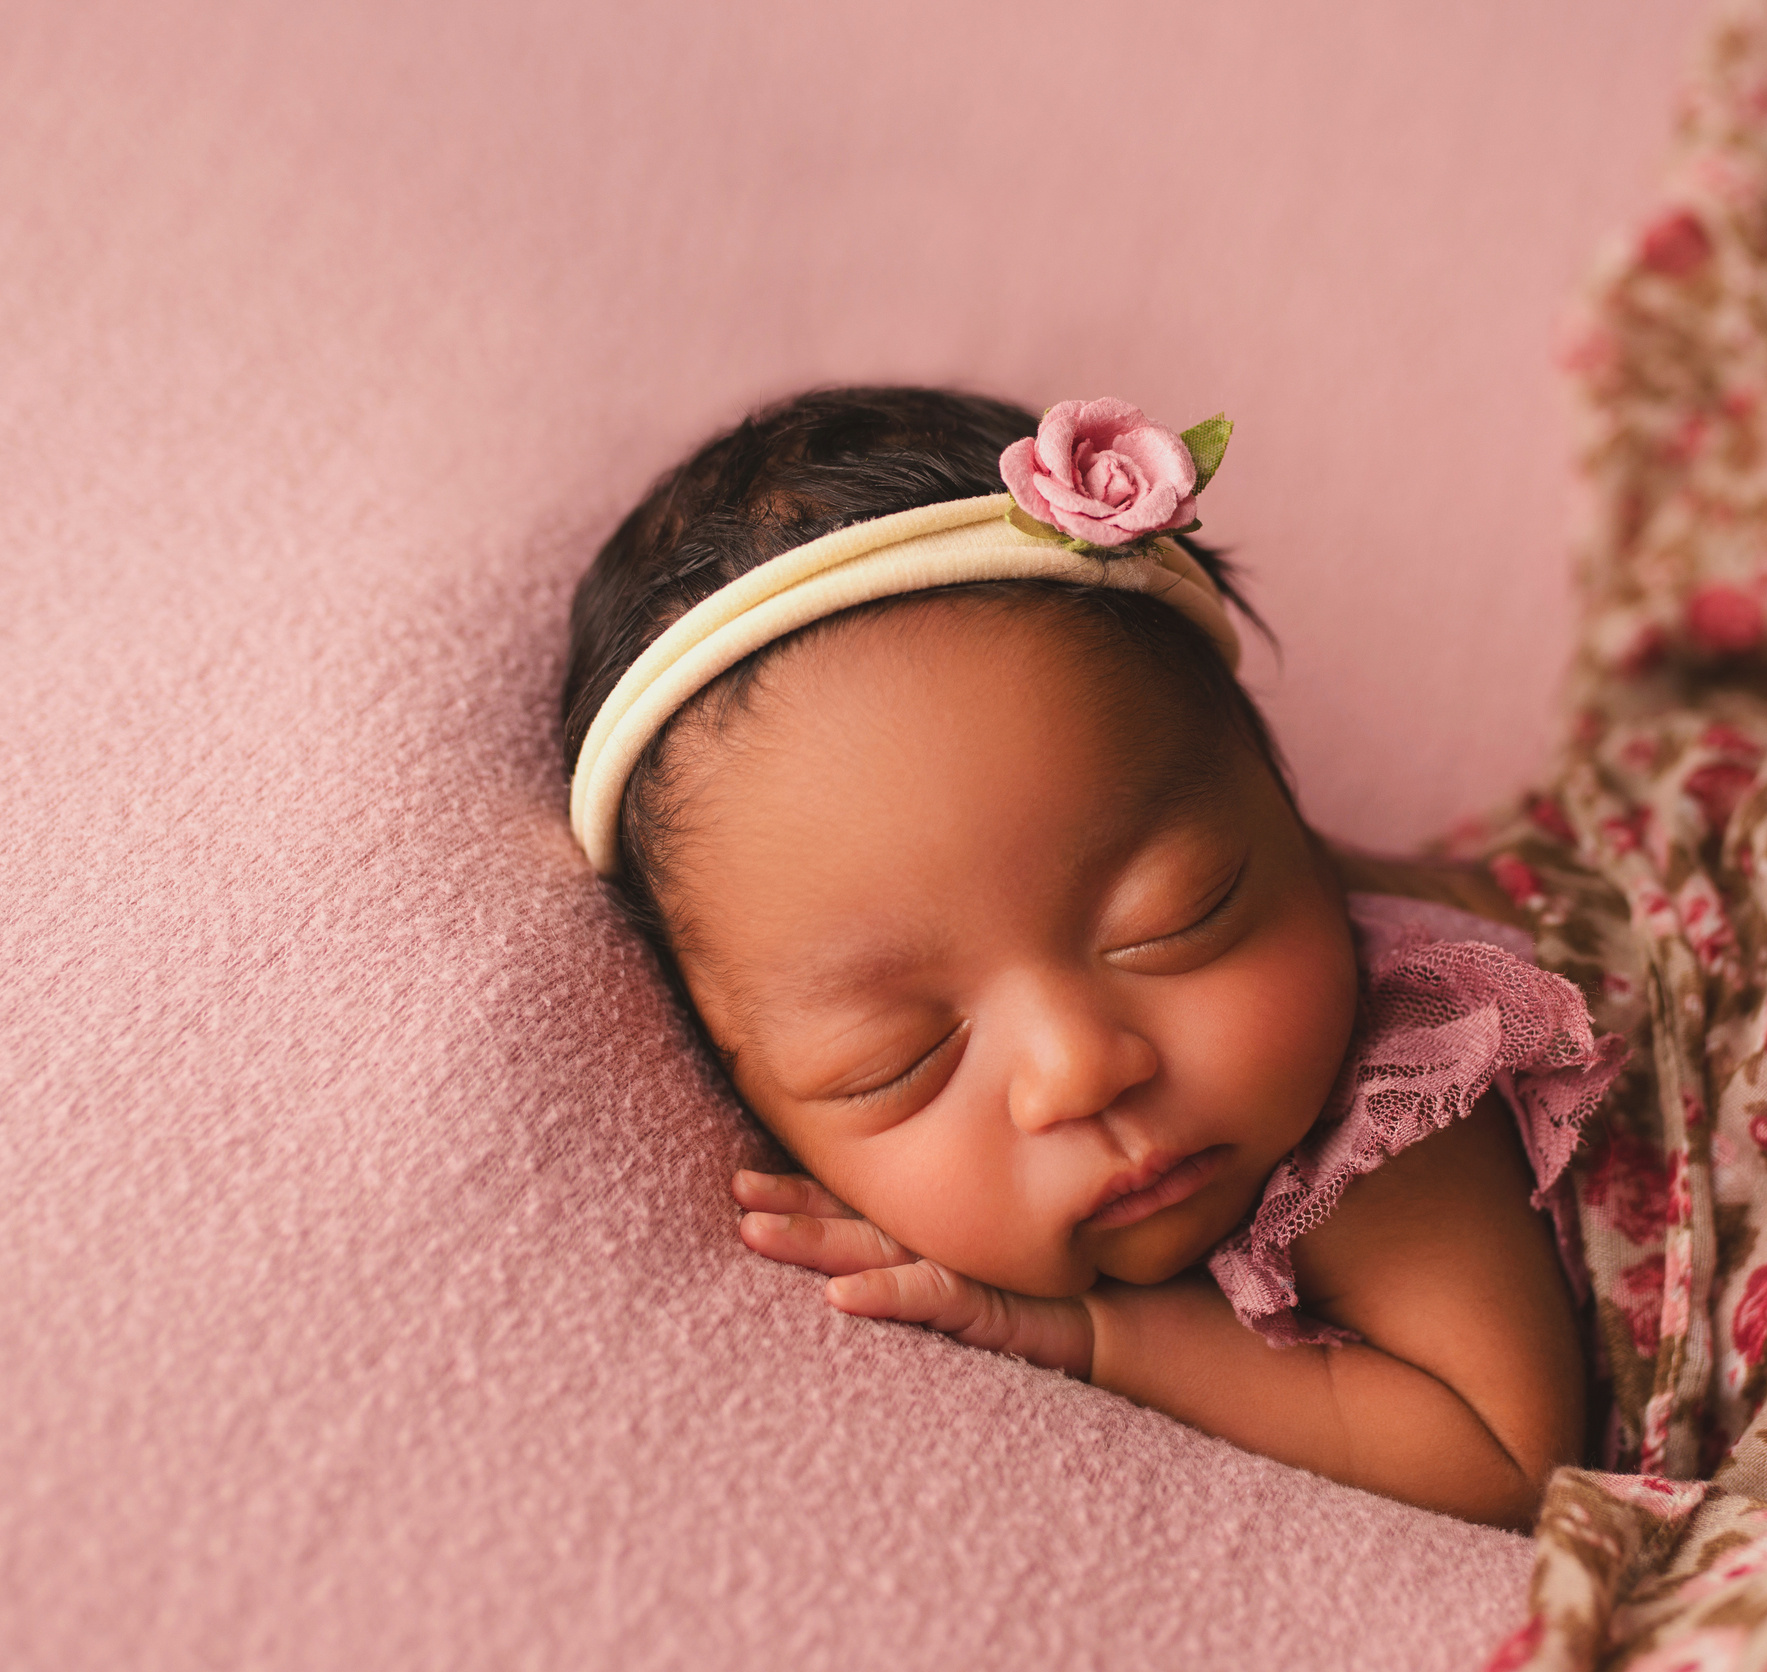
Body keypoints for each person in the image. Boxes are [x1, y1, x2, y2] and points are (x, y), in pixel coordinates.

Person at [559, 385, 1623, 1531]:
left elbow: (1505, 1460)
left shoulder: (1402, 1095)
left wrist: (1102, 1336)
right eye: (894, 1060)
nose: (1079, 1071)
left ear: (1292, 823)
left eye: (1175, 919)